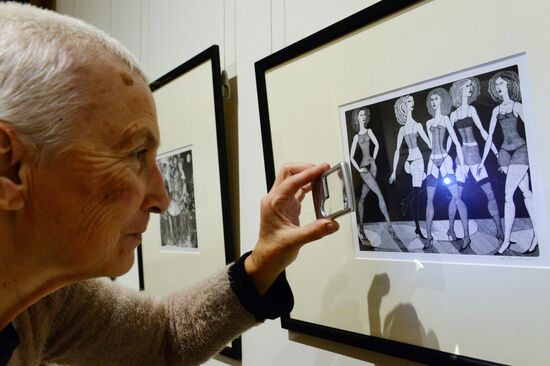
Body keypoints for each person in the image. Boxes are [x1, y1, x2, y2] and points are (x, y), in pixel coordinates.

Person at [0, 3, 339, 365]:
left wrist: (261, 262)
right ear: (11, 168)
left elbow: (164, 338)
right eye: (135, 153)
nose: (161, 200)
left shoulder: (46, 303)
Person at [479, 70, 537, 255]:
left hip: (521, 150)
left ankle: (506, 240)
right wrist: (483, 160)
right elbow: (489, 138)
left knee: (507, 195)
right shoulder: (496, 110)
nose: (499, 87)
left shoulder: (517, 106)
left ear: (509, 86)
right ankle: (538, 234)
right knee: (526, 193)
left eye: (502, 84)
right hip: (504, 153)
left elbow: (533, 128)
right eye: (496, 85)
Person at [448, 78, 504, 245]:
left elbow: (483, 131)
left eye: (471, 87)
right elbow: (450, 139)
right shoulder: (453, 114)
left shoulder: (471, 109)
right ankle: (463, 235)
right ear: (460, 89)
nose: (470, 89)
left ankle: (499, 230)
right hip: (464, 156)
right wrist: (445, 156)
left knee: (488, 193)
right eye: (467, 86)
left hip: (472, 154)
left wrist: (495, 151)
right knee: (456, 196)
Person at [424, 88, 470, 250]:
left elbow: (456, 142)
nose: (434, 102)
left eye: (436, 99)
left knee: (457, 197)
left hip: (444, 160)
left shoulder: (445, 119)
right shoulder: (428, 123)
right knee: (429, 200)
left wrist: (463, 165)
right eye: (432, 100)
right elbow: (430, 146)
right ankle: (429, 236)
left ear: (442, 101)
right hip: (432, 161)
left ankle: (467, 236)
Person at [348, 107, 396, 247]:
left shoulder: (369, 131)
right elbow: (351, 157)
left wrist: (373, 159)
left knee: (362, 198)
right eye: (360, 115)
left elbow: (377, 145)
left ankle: (361, 228)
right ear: (357, 118)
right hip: (364, 169)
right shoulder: (356, 137)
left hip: (372, 166)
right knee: (380, 195)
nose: (363, 117)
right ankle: (390, 227)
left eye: (364, 114)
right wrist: (359, 169)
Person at [389, 95, 431, 240]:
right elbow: (396, 150)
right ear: (403, 106)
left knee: (417, 192)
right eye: (408, 102)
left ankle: (407, 201)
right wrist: (393, 171)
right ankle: (418, 229)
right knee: (417, 194)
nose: (411, 103)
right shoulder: (402, 129)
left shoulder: (417, 125)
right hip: (410, 163)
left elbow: (428, 142)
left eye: (412, 101)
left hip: (417, 161)